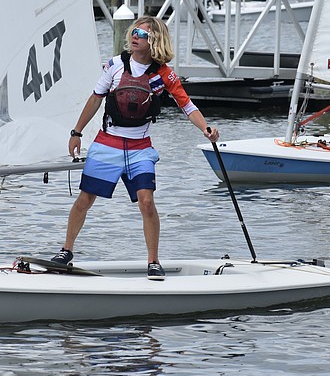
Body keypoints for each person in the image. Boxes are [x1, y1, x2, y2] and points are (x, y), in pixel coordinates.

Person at [50, 16, 220, 281]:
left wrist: (206, 128)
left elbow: (187, 105)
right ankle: (66, 250)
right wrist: (77, 132)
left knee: (147, 202)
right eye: (134, 32)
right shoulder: (115, 65)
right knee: (85, 199)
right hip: (107, 143)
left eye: (142, 34)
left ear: (154, 41)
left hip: (140, 148)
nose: (135, 37)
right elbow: (95, 99)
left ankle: (153, 261)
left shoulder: (164, 74)